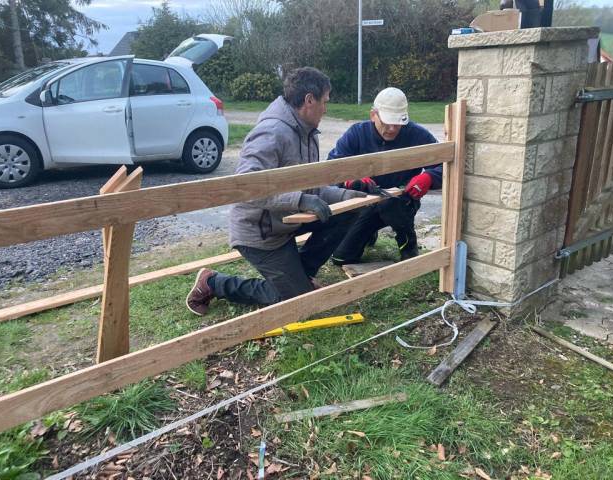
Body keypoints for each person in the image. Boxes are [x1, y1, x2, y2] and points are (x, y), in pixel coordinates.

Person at [185, 67, 366, 316]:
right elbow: (245, 186)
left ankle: (300, 275)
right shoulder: (271, 132)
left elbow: (312, 188)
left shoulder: (308, 134)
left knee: (348, 212)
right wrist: (301, 199)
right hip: (260, 233)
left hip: (285, 222)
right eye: (324, 102)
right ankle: (213, 282)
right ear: (309, 100)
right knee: (295, 300)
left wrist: (347, 197)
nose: (326, 108)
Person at [328, 87, 442, 265]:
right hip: (365, 202)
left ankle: (408, 245)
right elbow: (332, 167)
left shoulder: (417, 135)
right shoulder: (356, 133)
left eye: (397, 124)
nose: (392, 129)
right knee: (341, 257)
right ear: (373, 115)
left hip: (401, 201)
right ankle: (368, 233)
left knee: (391, 205)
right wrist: (350, 179)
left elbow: (444, 164)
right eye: (387, 123)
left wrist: (429, 177)